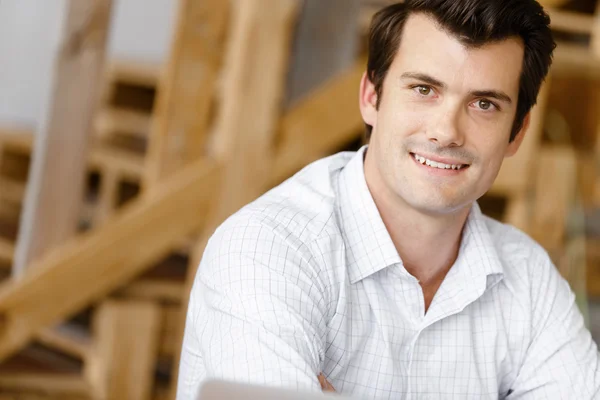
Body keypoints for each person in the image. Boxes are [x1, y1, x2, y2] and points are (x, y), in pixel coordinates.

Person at [177, 0, 600, 399]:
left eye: (484, 104)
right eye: (423, 90)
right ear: (371, 97)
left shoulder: (529, 281)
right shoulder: (267, 250)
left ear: (517, 132)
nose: (446, 131)